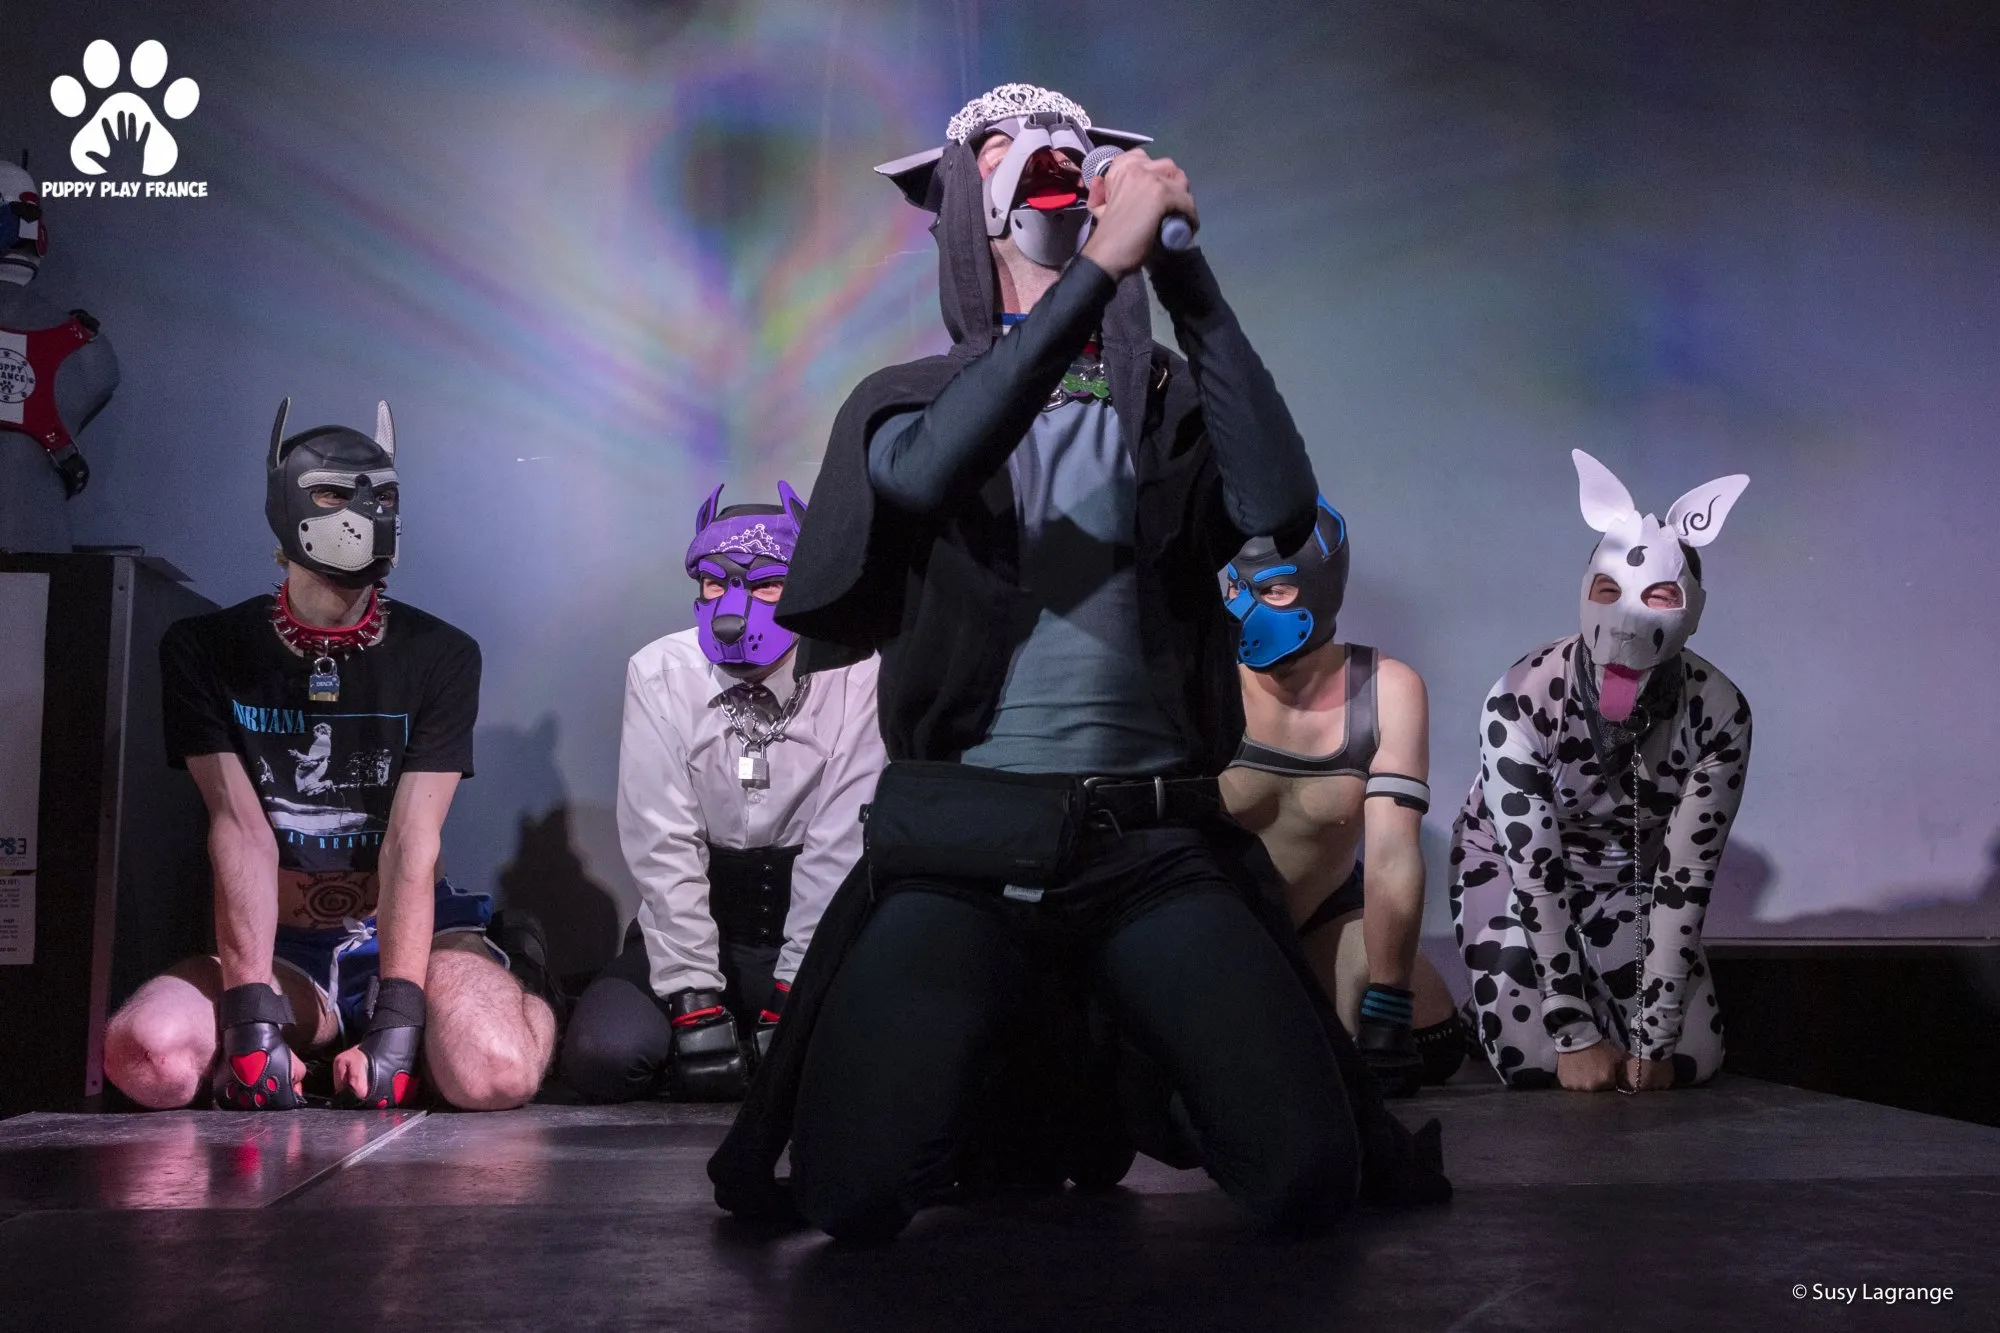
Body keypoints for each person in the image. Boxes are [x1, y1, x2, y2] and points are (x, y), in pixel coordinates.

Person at [707, 83, 1448, 1240]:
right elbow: (924, 475)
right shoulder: (906, 401)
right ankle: (1007, 1095)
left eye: (1070, 140)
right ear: (959, 203)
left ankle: (1109, 1078)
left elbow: (1277, 507)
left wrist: (1182, 274)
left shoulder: (1164, 403)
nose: (1046, 152)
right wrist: (1101, 268)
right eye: (1004, 142)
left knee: (1309, 1174)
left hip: (1145, 846)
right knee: (851, 1193)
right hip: (967, 848)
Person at [103, 398, 554, 1111]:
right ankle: (315, 1043)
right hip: (285, 949)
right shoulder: (205, 650)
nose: (363, 514)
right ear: (287, 505)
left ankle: (516, 974)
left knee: (496, 1072)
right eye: (334, 495)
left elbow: (411, 840)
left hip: (412, 940)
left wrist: (399, 1017)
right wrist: (250, 1015)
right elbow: (240, 829)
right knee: (148, 1057)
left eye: (382, 496)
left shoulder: (439, 655)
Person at [558, 482, 884, 1102]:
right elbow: (663, 841)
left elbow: (841, 845)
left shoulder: (856, 673)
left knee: (872, 1064)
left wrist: (796, 993)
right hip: (698, 931)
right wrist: (694, 1001)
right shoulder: (660, 672)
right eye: (715, 583)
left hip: (823, 934)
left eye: (768, 585)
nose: (735, 609)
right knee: (606, 1057)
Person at [1451, 449, 1751, 1092]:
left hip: (1628, 875)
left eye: (1660, 596)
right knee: (1534, 1063)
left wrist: (1656, 1038)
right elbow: (1534, 868)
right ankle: (1514, 1006)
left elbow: (1686, 876)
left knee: (1694, 1059)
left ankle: (1598, 992)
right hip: (1512, 865)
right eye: (1608, 591)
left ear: (1692, 609)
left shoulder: (1719, 713)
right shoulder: (1520, 697)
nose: (1627, 617)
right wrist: (1572, 1032)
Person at [1218, 499, 1466, 1095]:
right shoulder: (1204, 676)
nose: (1247, 608)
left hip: (1321, 914)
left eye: (1273, 590)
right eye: (1235, 589)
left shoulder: (1386, 689)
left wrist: (1387, 1005)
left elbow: (1391, 856)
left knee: (1434, 1041)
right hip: (1216, 921)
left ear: (1321, 589)